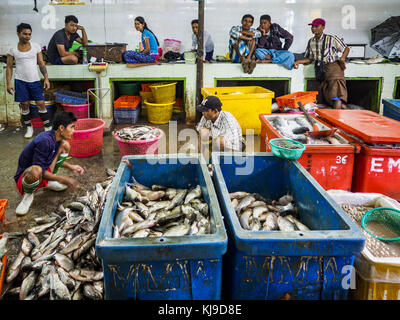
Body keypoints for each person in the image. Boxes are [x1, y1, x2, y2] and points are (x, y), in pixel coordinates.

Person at [14, 112, 84, 216]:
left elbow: (49, 159)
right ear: (61, 128)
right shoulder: (45, 141)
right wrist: (65, 179)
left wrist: (71, 167)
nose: (73, 131)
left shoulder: (57, 139)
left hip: (43, 172)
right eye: (72, 127)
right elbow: (39, 170)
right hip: (26, 178)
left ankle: (48, 182)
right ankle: (28, 195)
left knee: (65, 146)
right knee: (36, 171)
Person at [6, 23, 52, 139]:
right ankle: (29, 127)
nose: (27, 36)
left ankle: (47, 127)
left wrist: (46, 78)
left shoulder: (36, 47)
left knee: (40, 103)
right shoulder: (12, 49)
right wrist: (8, 83)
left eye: (29, 34)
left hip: (34, 80)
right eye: (25, 34)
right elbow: (9, 67)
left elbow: (41, 64)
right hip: (20, 81)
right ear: (18, 33)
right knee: (24, 104)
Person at [294, 18, 350, 109]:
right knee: (331, 100)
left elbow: (346, 48)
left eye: (316, 26)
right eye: (312, 26)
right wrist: (298, 62)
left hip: (334, 70)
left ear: (323, 27)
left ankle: (335, 121)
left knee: (336, 97)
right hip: (323, 72)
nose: (313, 28)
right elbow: (310, 59)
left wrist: (343, 58)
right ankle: (347, 116)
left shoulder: (331, 38)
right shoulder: (311, 41)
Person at [196, 96, 245, 161]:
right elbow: (200, 133)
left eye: (206, 111)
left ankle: (222, 163)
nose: (203, 113)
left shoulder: (228, 120)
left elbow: (235, 147)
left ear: (215, 111)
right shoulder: (206, 116)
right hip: (216, 140)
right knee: (203, 132)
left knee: (220, 141)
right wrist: (201, 157)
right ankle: (203, 160)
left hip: (236, 145)